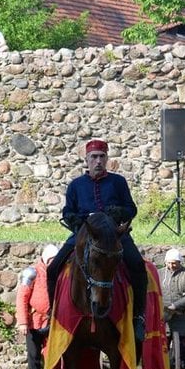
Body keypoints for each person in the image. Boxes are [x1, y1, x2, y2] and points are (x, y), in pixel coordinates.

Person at [47, 139, 148, 342]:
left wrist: (120, 211)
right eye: (94, 157)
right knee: (52, 269)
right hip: (84, 233)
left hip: (114, 234)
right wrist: (73, 218)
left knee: (137, 265)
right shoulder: (76, 185)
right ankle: (52, 316)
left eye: (102, 156)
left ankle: (138, 317)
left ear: (107, 159)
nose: (98, 161)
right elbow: (68, 210)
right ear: (86, 160)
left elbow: (131, 209)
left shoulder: (118, 182)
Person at [17, 244, 58, 369]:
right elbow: (22, 298)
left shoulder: (59, 274)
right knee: (34, 356)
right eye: (51, 260)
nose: (53, 263)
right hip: (34, 322)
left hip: (52, 322)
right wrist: (23, 322)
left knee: (52, 355)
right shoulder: (31, 273)